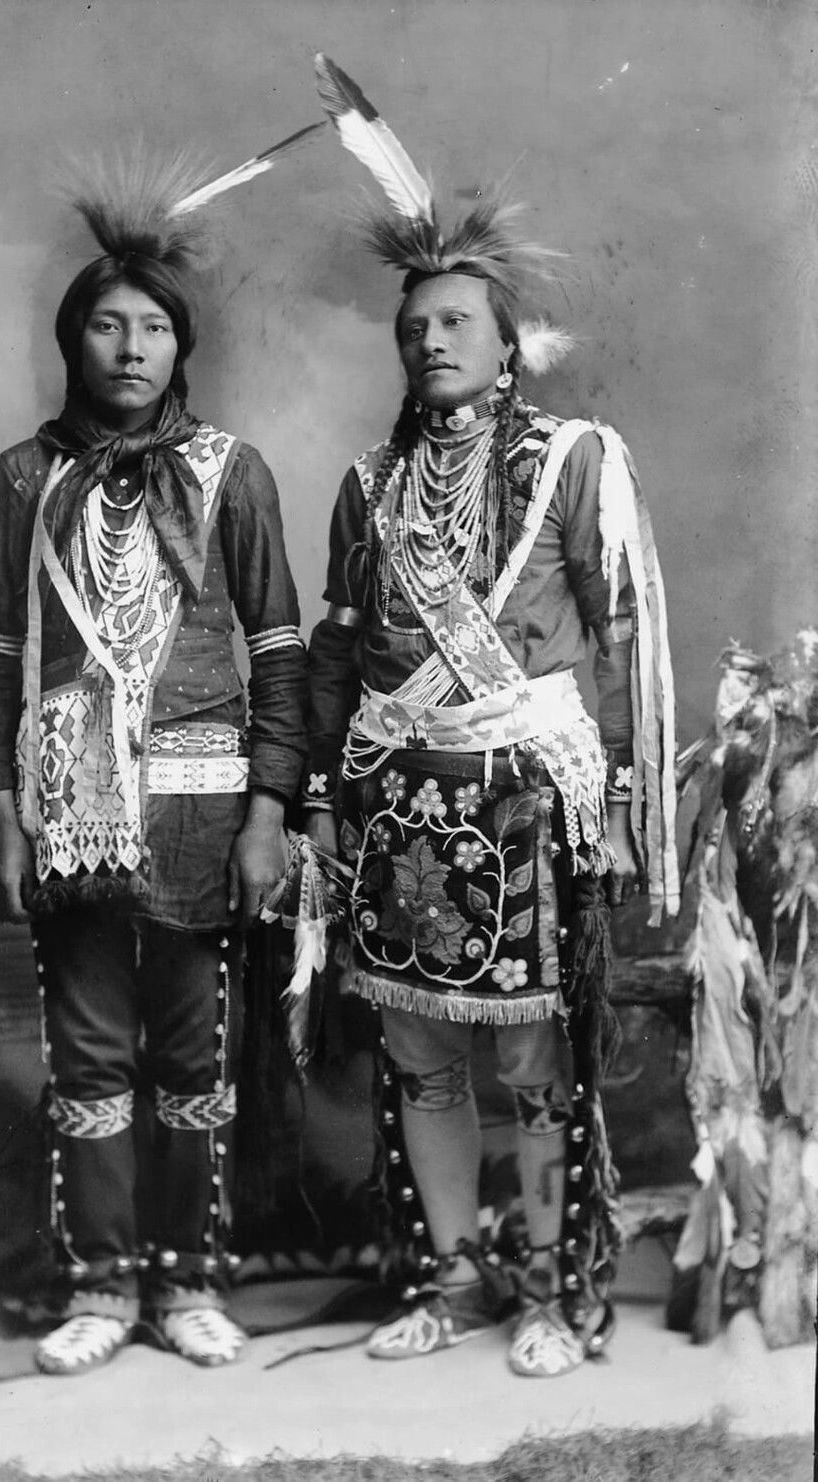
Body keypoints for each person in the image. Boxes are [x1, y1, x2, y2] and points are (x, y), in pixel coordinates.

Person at [305, 55, 677, 1377]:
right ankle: (453, 1278)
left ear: (508, 341)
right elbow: (341, 654)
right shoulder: (369, 486)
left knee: (532, 1061)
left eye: (457, 320)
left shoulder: (577, 460)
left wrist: (619, 805)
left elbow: (618, 642)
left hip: (525, 801)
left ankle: (550, 1292)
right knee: (420, 1057)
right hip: (399, 807)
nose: (432, 340)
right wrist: (321, 809)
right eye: (414, 326)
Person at [0, 149, 309, 1375]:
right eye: (108, 325)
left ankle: (189, 1279)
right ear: (74, 340)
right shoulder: (24, 477)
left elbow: (279, 649)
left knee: (194, 1052)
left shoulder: (230, 473)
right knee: (91, 1055)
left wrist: (270, 811)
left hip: (205, 811)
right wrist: (1, 814)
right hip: (72, 811)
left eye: (153, 328)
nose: (130, 348)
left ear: (180, 347)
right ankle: (103, 1283)